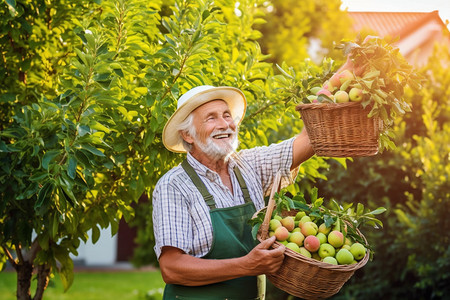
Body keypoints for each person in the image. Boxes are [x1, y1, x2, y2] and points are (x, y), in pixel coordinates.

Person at [152, 85, 315, 300]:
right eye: (211, 118)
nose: (225, 124)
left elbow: (311, 137)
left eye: (227, 115)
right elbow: (171, 268)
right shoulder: (174, 185)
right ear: (187, 135)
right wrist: (246, 265)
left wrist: (350, 68)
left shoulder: (250, 166)